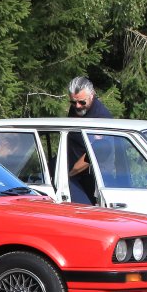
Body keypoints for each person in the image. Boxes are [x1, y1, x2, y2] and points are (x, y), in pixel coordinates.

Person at [64, 75, 112, 204]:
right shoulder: (76, 109)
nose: (78, 106)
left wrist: (68, 174)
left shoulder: (101, 118)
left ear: (92, 95)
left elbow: (94, 153)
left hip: (89, 176)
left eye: (82, 102)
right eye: (73, 102)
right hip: (73, 171)